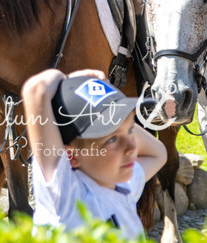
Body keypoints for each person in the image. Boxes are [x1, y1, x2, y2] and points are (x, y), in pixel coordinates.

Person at [22, 69, 166, 238]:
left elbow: (158, 154)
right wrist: (67, 80)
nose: (131, 148)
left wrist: (117, 113)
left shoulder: (121, 186)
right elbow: (36, 90)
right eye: (111, 140)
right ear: (71, 156)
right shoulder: (66, 196)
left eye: (130, 131)